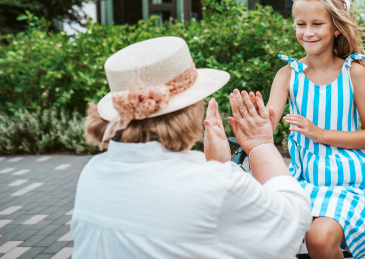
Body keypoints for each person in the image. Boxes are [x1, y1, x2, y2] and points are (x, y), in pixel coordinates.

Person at [71, 36, 311, 259]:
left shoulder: (93, 173)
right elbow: (293, 221)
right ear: (189, 110)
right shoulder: (213, 183)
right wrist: (261, 144)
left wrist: (220, 168)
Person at [265, 0, 365, 259]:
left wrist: (319, 133)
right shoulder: (287, 75)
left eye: (317, 24)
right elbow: (266, 128)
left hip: (351, 185)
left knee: (319, 239)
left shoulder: (353, 73)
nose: (307, 32)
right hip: (304, 182)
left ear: (335, 28)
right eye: (301, 24)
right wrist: (253, 125)